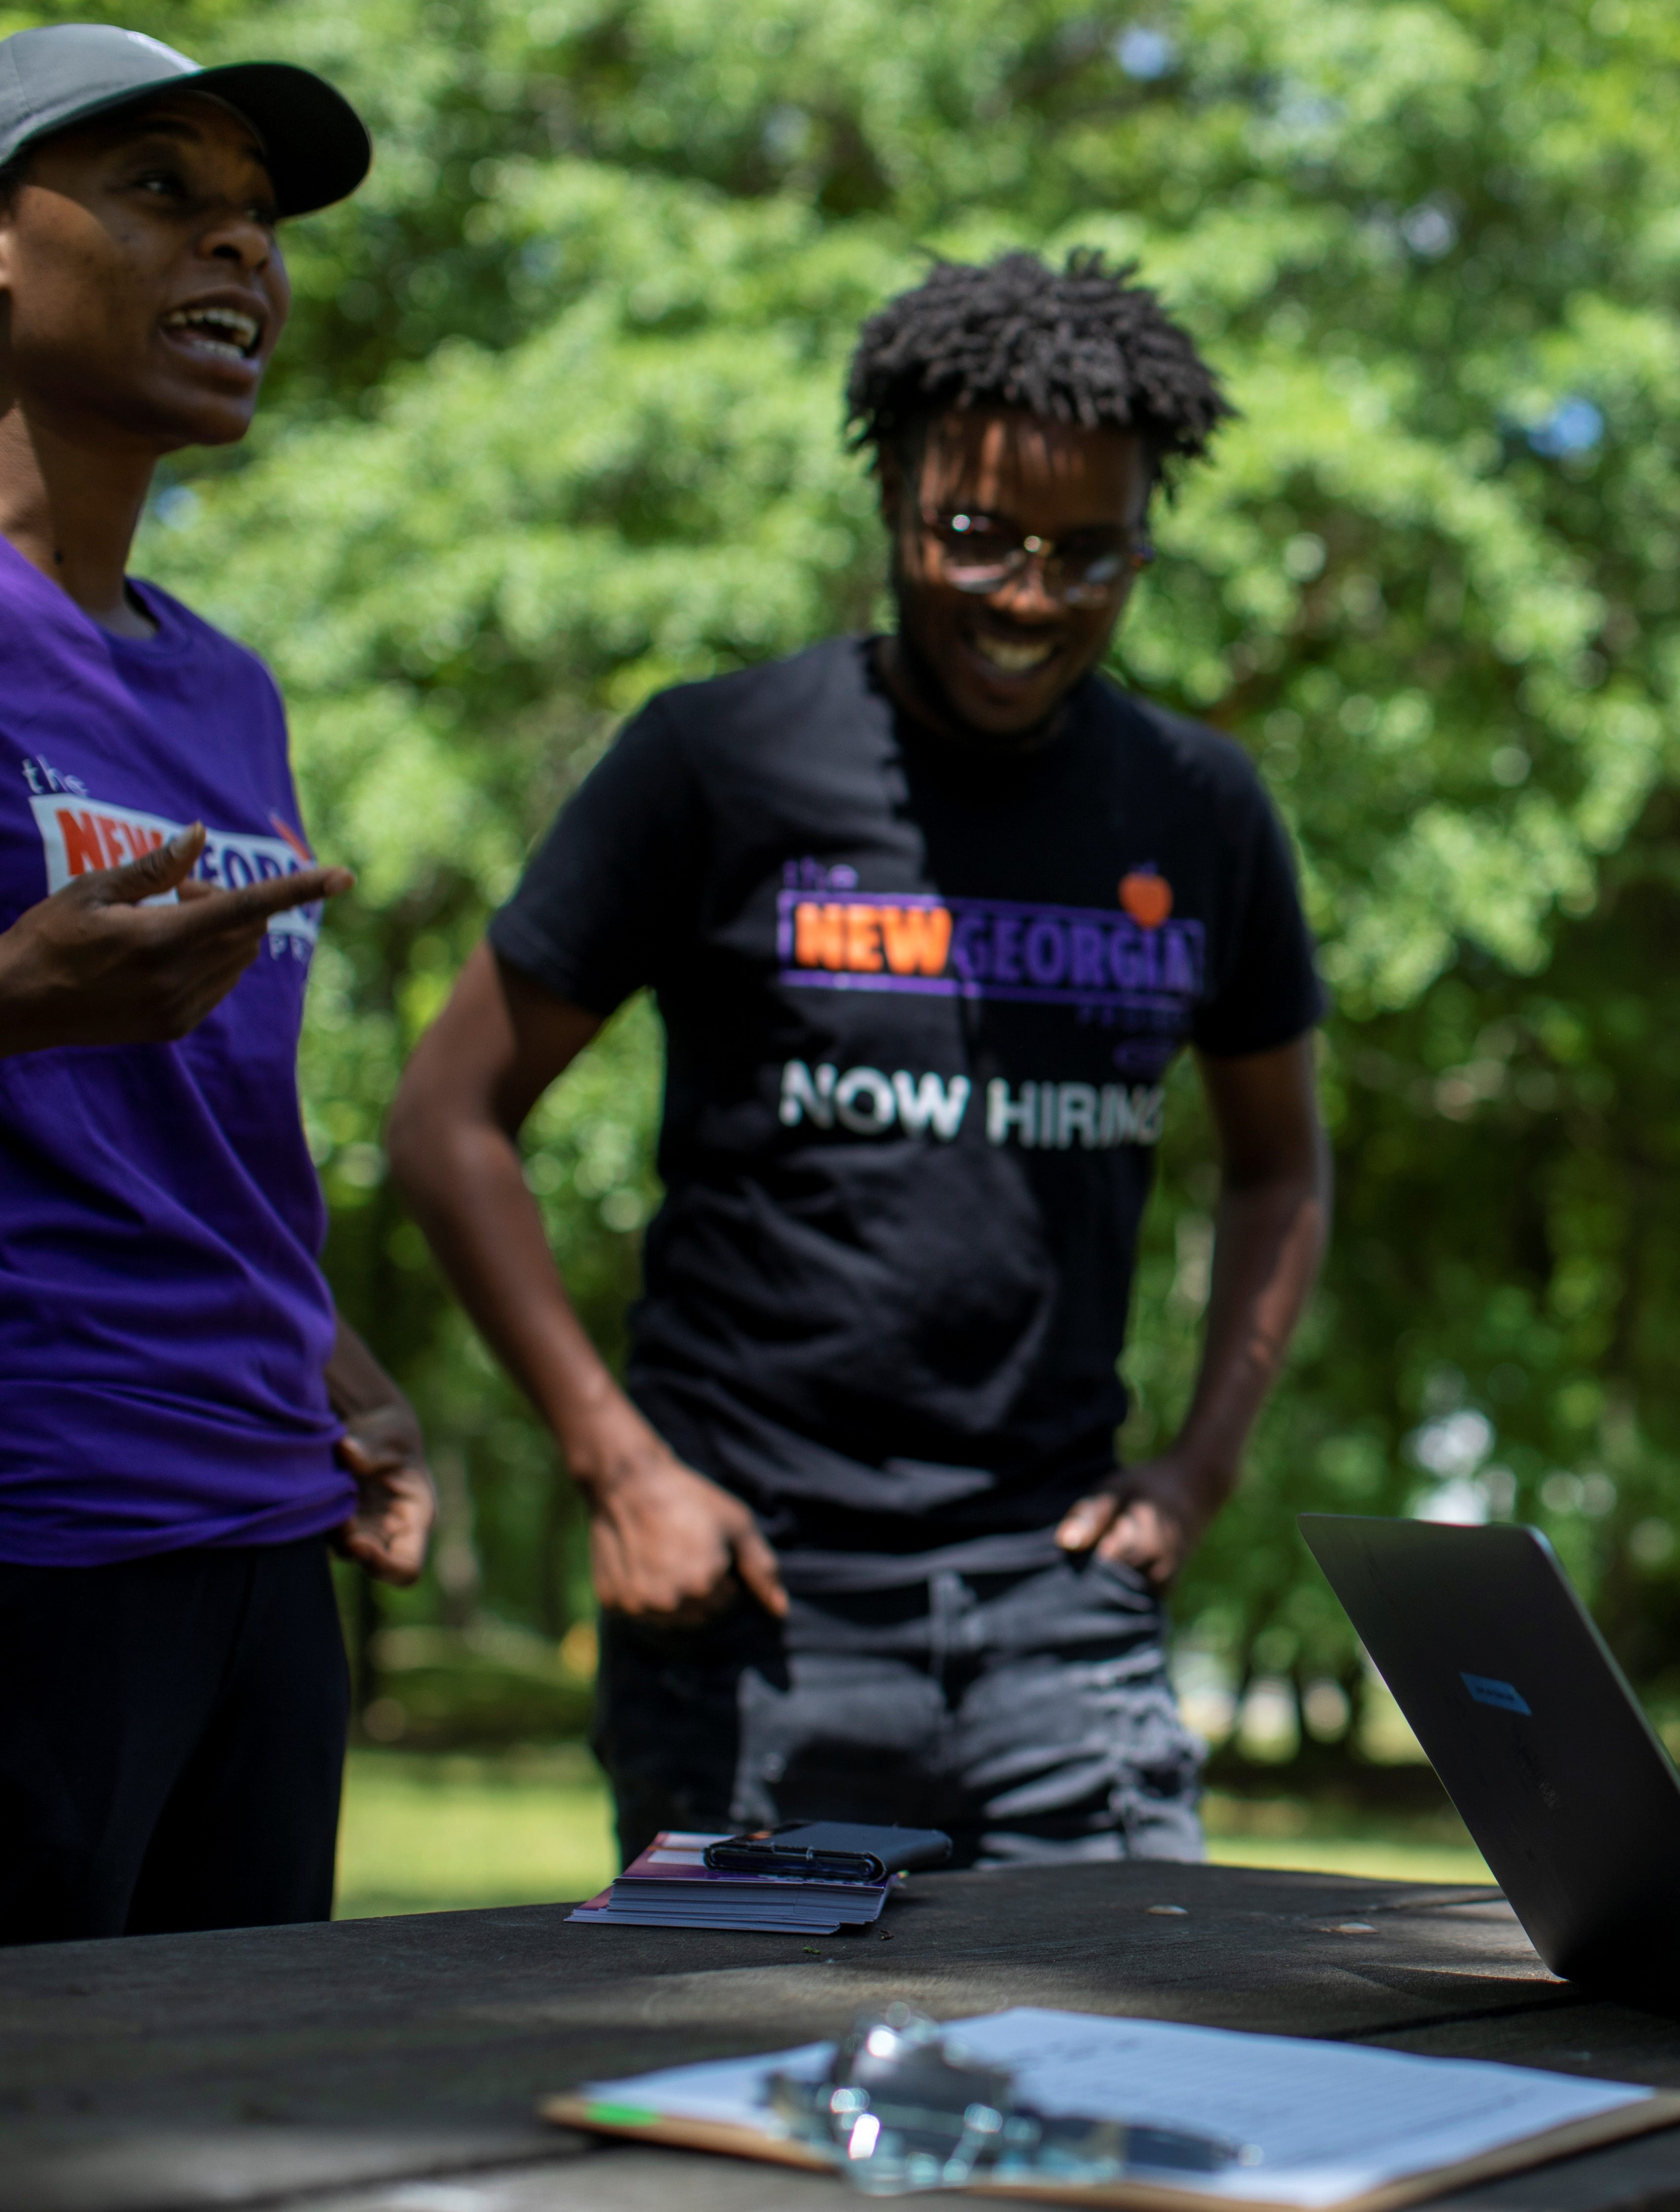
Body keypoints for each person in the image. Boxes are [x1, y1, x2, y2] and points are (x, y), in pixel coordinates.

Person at [386, 251, 1331, 1866]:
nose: (1029, 597)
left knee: (1139, 2027)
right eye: (978, 535)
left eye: (1090, 554)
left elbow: (1281, 1166)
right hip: (754, 1613)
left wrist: (1199, 1470)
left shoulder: (1201, 809)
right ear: (893, 497)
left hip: (1063, 1622)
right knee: (737, 2043)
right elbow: (445, 1120)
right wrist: (620, 1470)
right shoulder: (719, 762)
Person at [0, 24, 432, 1945]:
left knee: (237, 2087)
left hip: (265, 1529)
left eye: (261, 217)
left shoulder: (228, 689)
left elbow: (197, 1125)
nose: (245, 247)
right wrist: (16, 997)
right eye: (164, 189)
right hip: (39, 1525)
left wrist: (340, 1370)